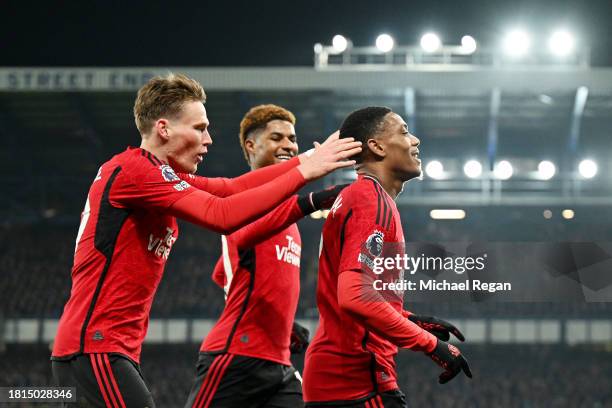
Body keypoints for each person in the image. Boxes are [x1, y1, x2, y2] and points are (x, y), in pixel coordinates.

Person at [50, 74, 362, 408]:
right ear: (164, 128)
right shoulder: (134, 171)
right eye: (200, 128)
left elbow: (230, 188)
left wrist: (307, 162)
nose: (209, 139)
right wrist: (306, 176)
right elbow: (222, 213)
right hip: (95, 346)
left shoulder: (158, 174)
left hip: (108, 349)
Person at [302, 107, 471, 408]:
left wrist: (412, 321)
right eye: (405, 131)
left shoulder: (362, 197)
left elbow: (360, 295)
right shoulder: (371, 201)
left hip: (338, 377)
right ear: (377, 146)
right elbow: (354, 296)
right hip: (357, 380)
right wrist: (431, 345)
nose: (416, 140)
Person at [185, 104, 343, 408]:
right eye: (276, 137)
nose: (288, 145)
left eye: (292, 138)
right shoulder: (242, 201)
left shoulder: (287, 216)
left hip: (279, 362)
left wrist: (279, 318)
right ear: (251, 144)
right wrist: (308, 201)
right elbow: (242, 236)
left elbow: (223, 271)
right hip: (236, 355)